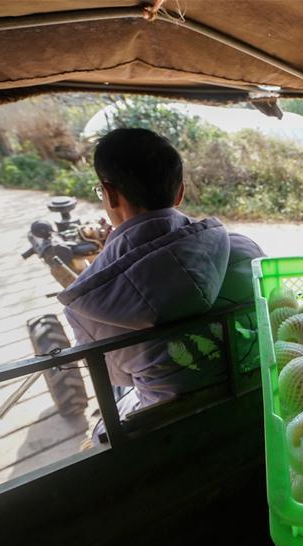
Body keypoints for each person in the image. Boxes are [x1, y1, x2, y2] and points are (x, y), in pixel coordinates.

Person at [58, 128, 264, 444]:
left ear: (110, 194)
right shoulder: (245, 251)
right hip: (256, 401)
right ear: (179, 192)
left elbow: (120, 379)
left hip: (167, 430)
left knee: (105, 424)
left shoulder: (88, 303)